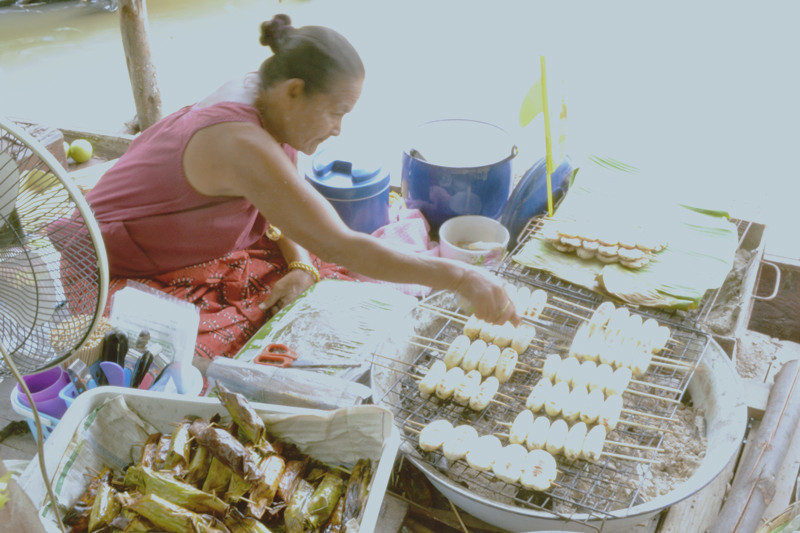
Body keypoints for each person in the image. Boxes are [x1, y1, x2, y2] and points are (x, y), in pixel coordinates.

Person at [83, 14, 518, 359]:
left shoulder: (263, 95)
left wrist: (301, 264)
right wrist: (461, 277)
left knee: (321, 276)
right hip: (104, 256)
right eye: (336, 112)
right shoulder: (240, 142)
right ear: (294, 91)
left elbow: (281, 202)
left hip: (182, 239)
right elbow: (342, 245)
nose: (338, 129)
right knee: (224, 355)